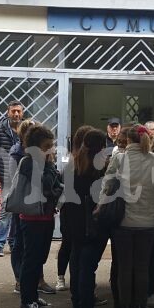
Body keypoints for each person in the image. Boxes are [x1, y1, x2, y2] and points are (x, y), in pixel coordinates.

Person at [102, 125, 154, 308]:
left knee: (124, 268)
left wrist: (102, 211)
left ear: (128, 140)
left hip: (122, 224)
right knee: (142, 269)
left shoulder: (119, 159)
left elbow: (106, 189)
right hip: (148, 224)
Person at [15, 123, 64, 308]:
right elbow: (47, 185)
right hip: (32, 217)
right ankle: (26, 301)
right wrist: (54, 181)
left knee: (39, 259)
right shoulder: (28, 162)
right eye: (47, 146)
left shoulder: (44, 163)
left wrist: (54, 182)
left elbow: (55, 185)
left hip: (45, 216)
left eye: (51, 146)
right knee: (31, 259)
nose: (50, 150)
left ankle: (33, 296)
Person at [67, 129, 110, 308]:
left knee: (76, 265)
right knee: (87, 267)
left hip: (74, 222)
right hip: (93, 222)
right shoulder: (101, 168)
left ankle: (76, 307)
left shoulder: (73, 165)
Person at [56, 125, 95, 294]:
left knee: (71, 247)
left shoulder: (76, 161)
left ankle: (74, 286)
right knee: (71, 247)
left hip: (70, 209)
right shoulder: (74, 161)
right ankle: (66, 280)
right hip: (77, 211)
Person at [0, 101, 25, 256]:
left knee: (21, 211)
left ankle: (14, 242)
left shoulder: (27, 129)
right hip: (6, 177)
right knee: (6, 210)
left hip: (23, 177)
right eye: (13, 111)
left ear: (22, 113)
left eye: (19, 111)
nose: (16, 114)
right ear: (7, 112)